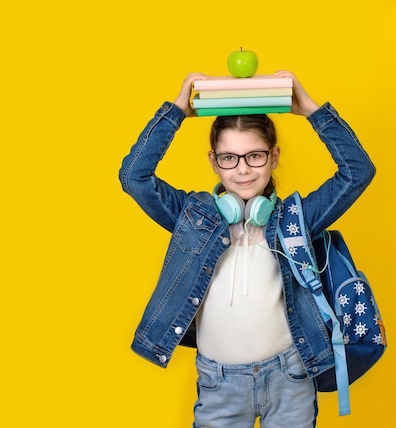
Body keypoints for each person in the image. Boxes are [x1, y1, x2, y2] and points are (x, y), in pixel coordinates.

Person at [118, 71, 375, 427]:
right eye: (229, 158)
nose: (242, 170)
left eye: (255, 156)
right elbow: (134, 176)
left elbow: (357, 171)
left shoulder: (295, 219)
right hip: (219, 382)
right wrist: (176, 110)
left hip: (291, 378)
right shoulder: (192, 218)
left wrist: (311, 109)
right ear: (213, 161)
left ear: (273, 157)